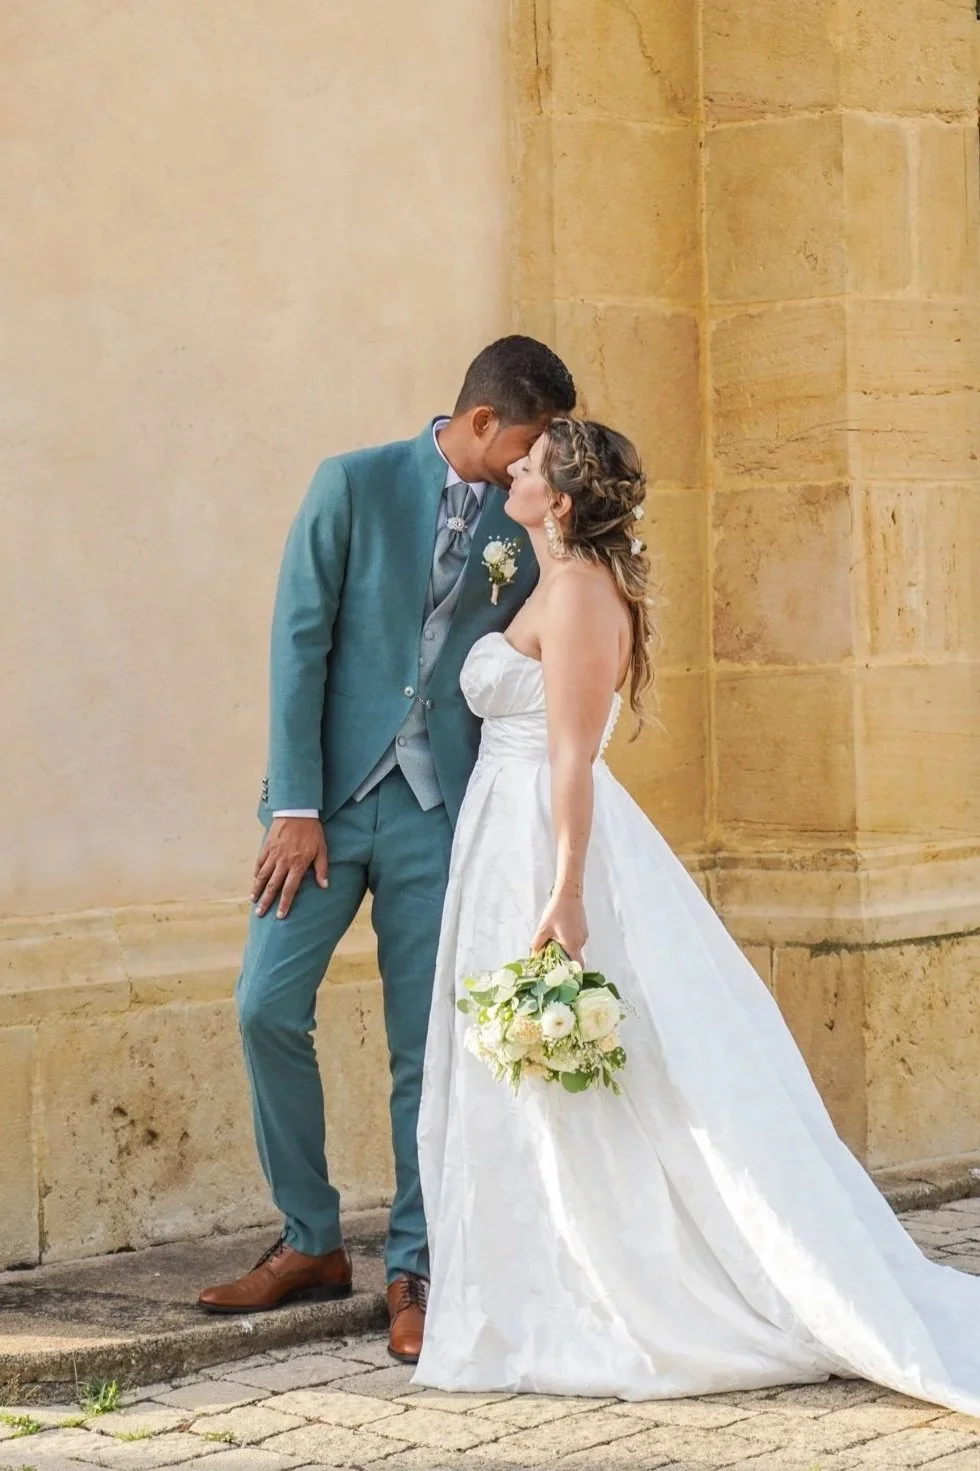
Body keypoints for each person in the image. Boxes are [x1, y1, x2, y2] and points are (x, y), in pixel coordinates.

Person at [414, 417, 980, 1413]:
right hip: (505, 839)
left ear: (563, 498)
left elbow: (571, 757)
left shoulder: (583, 595)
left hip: (546, 845)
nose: (515, 465)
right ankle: (529, 1274)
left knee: (610, 1079)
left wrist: (565, 890)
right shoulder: (558, 581)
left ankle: (621, 1288)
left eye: (535, 464)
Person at [197, 337, 576, 1365]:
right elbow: (297, 642)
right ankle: (310, 1238)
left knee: (424, 1045)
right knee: (263, 1003)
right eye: (531, 442)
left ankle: (414, 1264)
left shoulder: (521, 518)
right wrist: (293, 803)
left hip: (433, 816)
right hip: (321, 812)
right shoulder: (353, 484)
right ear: (488, 421)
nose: (533, 464)